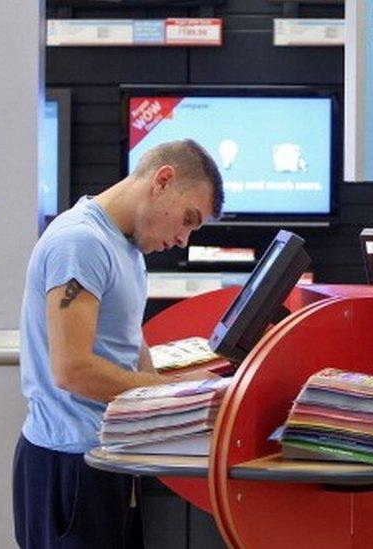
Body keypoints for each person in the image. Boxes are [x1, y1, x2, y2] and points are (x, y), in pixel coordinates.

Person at [12, 139, 225, 548]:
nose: (183, 238)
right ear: (163, 181)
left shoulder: (126, 248)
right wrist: (174, 392)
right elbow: (72, 369)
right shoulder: (81, 242)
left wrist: (187, 395)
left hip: (107, 461)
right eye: (187, 219)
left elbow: (131, 342)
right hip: (69, 468)